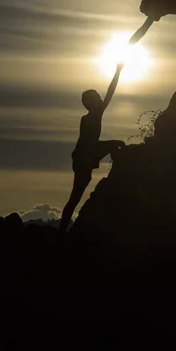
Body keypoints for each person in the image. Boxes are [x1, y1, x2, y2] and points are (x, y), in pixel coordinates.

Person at [59, 63, 125, 233]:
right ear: (91, 103)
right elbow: (89, 145)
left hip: (86, 156)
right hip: (84, 156)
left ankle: (61, 230)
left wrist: (118, 71)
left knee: (76, 195)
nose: (101, 98)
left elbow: (110, 92)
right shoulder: (91, 117)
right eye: (97, 97)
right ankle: (61, 231)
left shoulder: (93, 114)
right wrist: (112, 143)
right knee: (75, 196)